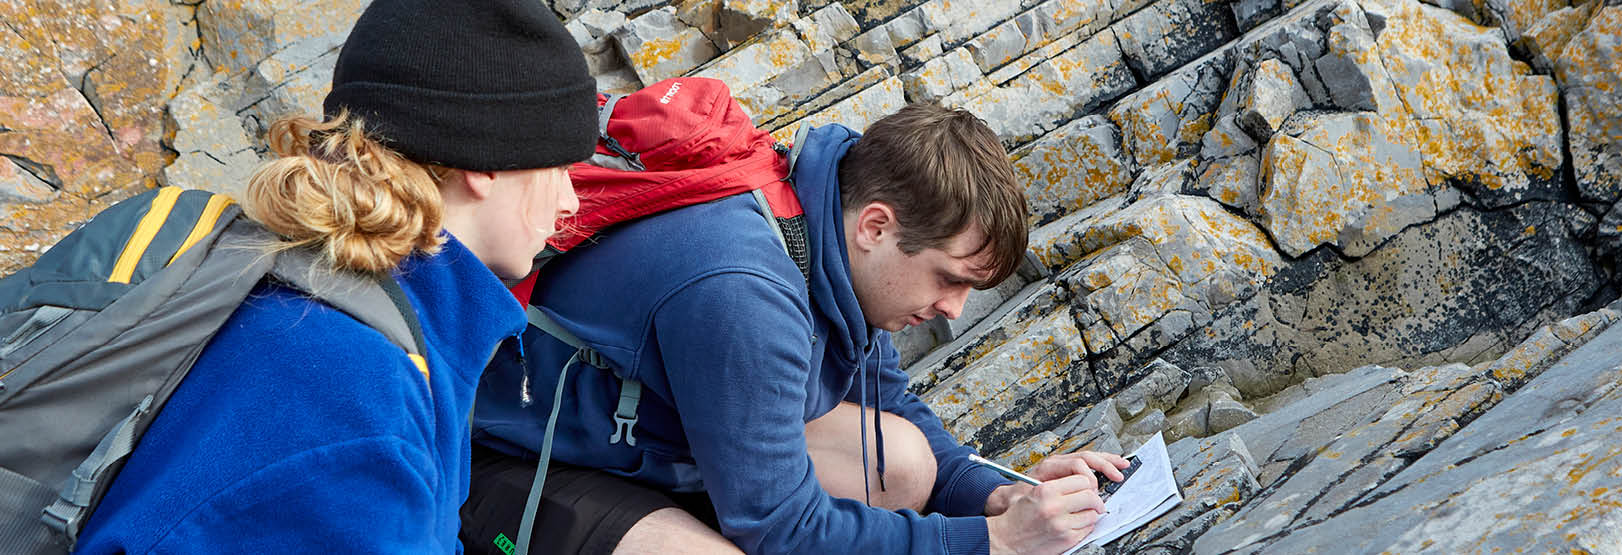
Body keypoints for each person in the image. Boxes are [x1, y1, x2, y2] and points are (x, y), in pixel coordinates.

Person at [466, 103, 1130, 554]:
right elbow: (781, 528)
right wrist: (994, 541)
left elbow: (888, 400)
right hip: (516, 463)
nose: (953, 308)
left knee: (905, 462)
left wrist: (999, 494)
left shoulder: (821, 229)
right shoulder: (745, 291)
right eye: (949, 277)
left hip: (652, 440)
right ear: (876, 225)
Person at [73, 0, 597, 551]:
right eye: (558, 168)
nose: (567, 200)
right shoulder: (359, 416)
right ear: (487, 163)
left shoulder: (310, 288)